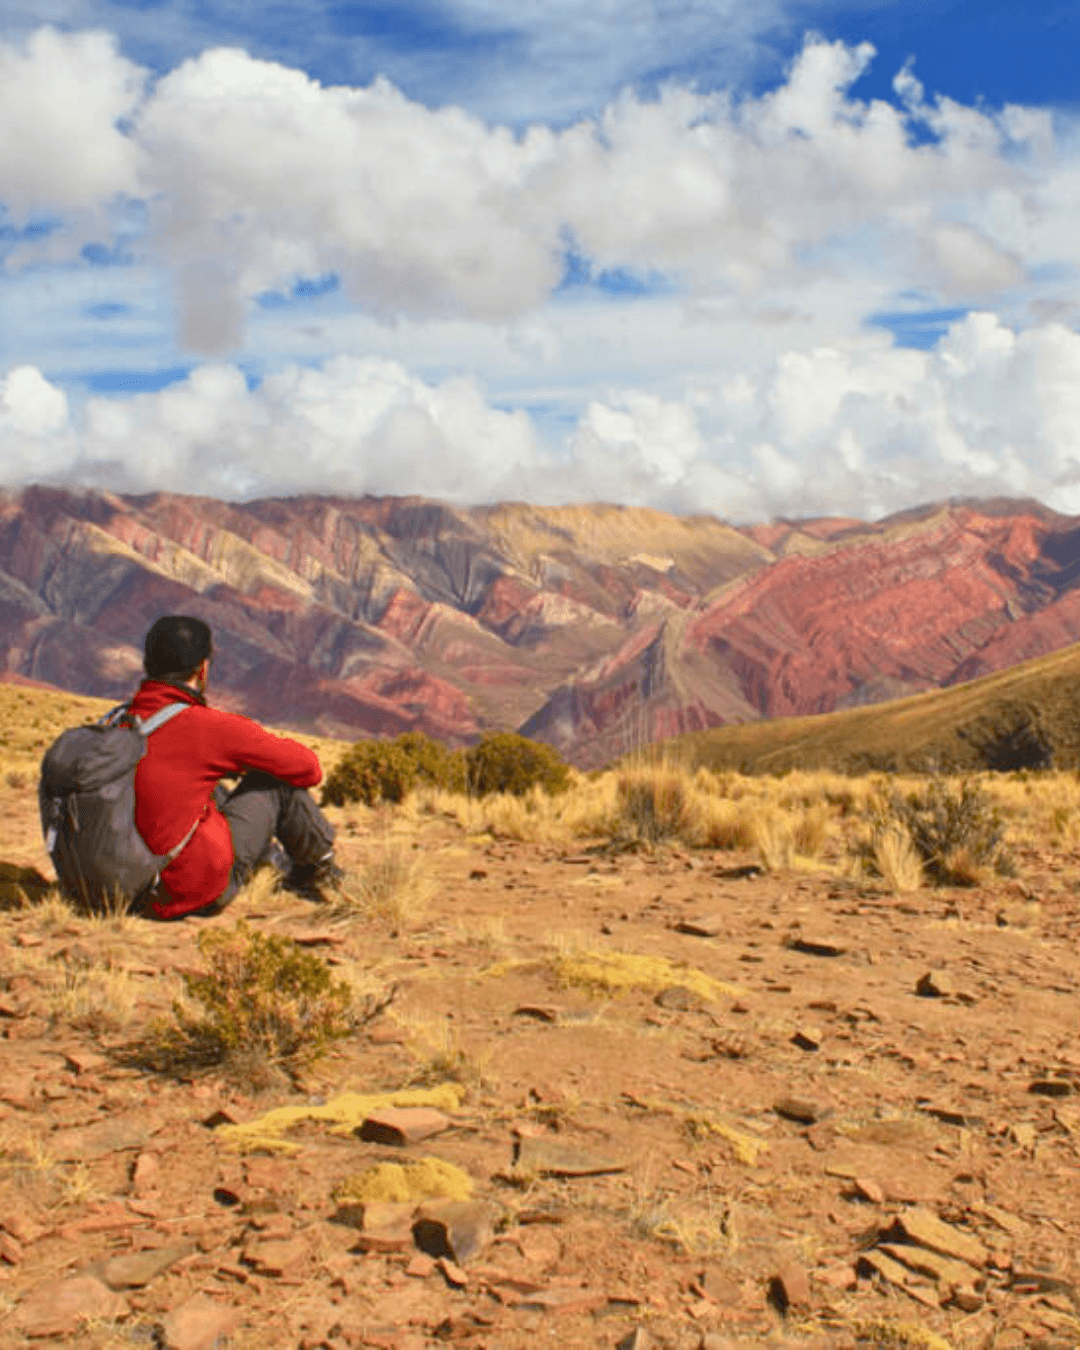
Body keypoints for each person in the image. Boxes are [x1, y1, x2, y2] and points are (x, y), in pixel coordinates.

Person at [128, 614, 341, 920]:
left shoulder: (116, 723)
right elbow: (308, 769)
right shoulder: (206, 728)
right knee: (276, 784)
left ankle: (275, 863)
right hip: (186, 892)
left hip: (115, 886)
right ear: (202, 669)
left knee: (208, 789)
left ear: (148, 664)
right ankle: (319, 870)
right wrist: (248, 760)